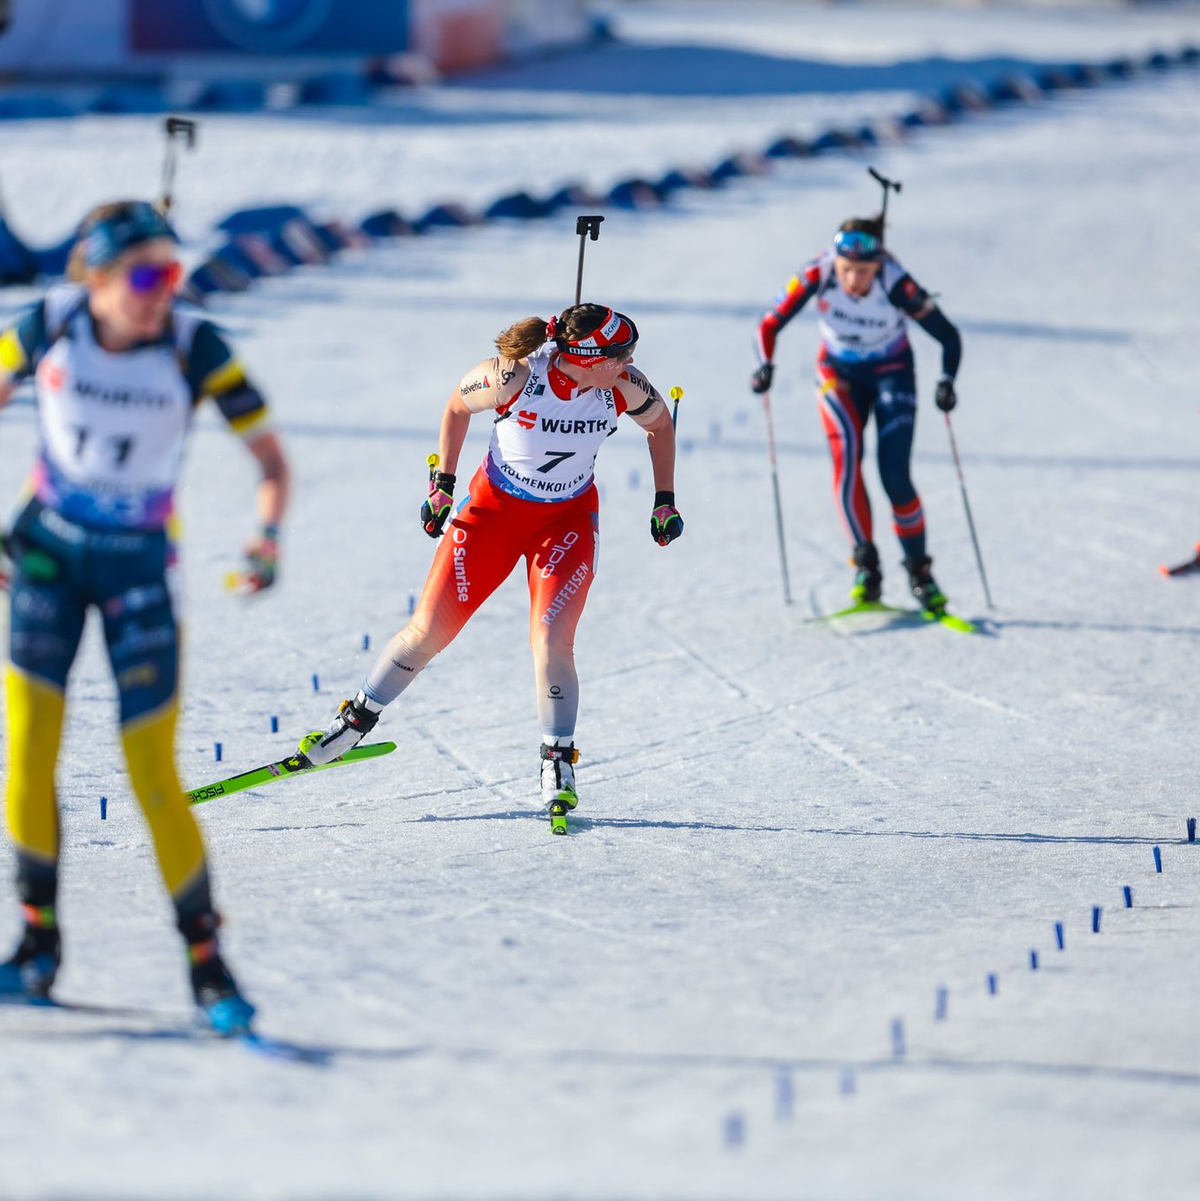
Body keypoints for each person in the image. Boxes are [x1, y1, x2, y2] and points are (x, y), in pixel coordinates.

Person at [0, 200, 290, 1032]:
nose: (163, 290)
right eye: (144, 274)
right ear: (93, 280)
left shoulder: (193, 345)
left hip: (136, 567)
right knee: (28, 752)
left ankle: (208, 965)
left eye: (173, 272)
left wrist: (265, 536)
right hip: (48, 555)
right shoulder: (47, 325)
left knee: (151, 772)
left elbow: (270, 461)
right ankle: (37, 947)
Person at [296, 303, 683, 833]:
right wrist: (443, 484)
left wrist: (664, 499)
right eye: (619, 354)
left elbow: (660, 428)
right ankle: (352, 724)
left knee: (552, 640)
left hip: (566, 520)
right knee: (428, 631)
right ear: (584, 358)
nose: (631, 361)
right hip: (492, 514)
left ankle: (558, 762)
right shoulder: (515, 377)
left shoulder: (624, 385)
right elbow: (457, 407)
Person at [750, 215, 962, 611]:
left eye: (863, 272)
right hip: (838, 374)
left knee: (894, 474)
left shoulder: (896, 282)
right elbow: (769, 324)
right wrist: (765, 365)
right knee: (846, 462)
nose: (853, 281)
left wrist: (947, 380)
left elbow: (948, 336)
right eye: (848, 270)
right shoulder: (819, 271)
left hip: (891, 374)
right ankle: (867, 566)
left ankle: (919, 570)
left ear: (878, 265)